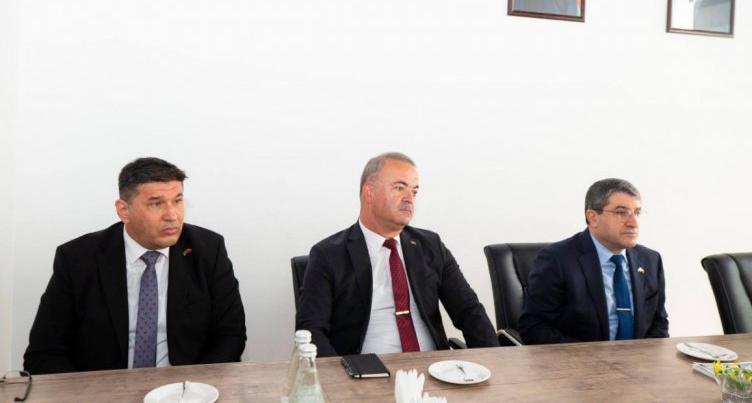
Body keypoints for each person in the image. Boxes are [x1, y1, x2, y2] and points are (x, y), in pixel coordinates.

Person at [24, 157, 247, 374]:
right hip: (104, 388)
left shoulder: (208, 250)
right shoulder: (78, 259)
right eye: (156, 203)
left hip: (184, 387)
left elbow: (230, 335)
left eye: (177, 201)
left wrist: (194, 387)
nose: (172, 215)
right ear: (124, 210)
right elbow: (44, 352)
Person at [296, 152, 499, 357]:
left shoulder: (431, 245)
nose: (409, 199)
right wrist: (342, 373)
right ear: (369, 192)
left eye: (414, 191)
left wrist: (495, 361)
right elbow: (311, 330)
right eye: (400, 188)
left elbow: (469, 310)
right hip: (367, 369)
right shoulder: (328, 254)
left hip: (434, 367)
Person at [518, 178, 668, 344]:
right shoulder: (556, 260)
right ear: (593, 217)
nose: (634, 223)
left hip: (638, 358)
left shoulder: (650, 260)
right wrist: (592, 356)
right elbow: (533, 327)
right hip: (578, 359)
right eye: (621, 212)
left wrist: (645, 356)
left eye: (637, 213)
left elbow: (659, 323)